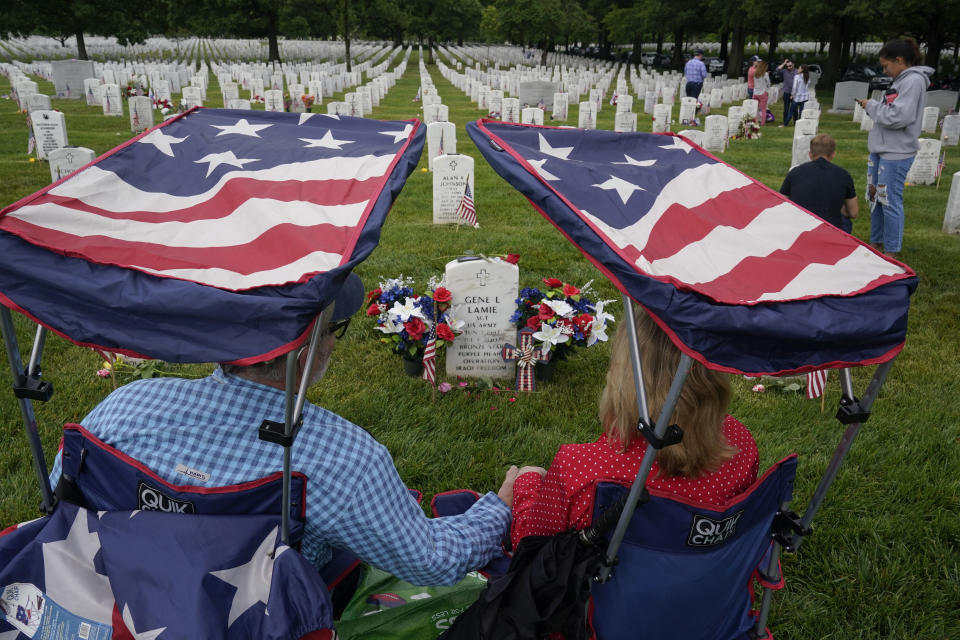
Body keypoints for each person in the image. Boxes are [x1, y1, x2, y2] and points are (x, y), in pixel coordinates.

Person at [49, 273, 518, 590]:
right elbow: (430, 562)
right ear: (305, 348)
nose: (336, 341)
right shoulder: (343, 458)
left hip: (122, 594)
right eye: (338, 327)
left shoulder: (121, 407)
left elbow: (61, 498)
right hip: (257, 616)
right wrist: (499, 508)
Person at [510, 306, 759, 545]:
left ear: (625, 374)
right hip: (709, 584)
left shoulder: (580, 469)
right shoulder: (740, 443)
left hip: (605, 587)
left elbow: (530, 546)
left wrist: (525, 482)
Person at [855, 37, 933, 258]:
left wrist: (871, 106)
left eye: (885, 65)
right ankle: (876, 243)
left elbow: (899, 116)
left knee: (889, 200)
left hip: (897, 151)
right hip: (882, 148)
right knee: (875, 198)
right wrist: (875, 106)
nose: (884, 70)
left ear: (899, 60)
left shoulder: (913, 81)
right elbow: (891, 107)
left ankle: (891, 251)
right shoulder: (901, 80)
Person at [780, 133, 858, 232]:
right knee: (845, 220)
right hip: (830, 229)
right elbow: (853, 212)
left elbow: (782, 202)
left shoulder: (795, 172)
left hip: (798, 227)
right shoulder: (844, 175)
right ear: (833, 154)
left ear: (810, 154)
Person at [778, 59, 796, 127]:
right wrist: (784, 63)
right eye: (787, 66)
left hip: (794, 93)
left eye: (790, 66)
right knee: (786, 108)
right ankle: (785, 122)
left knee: (794, 109)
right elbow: (778, 70)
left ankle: (796, 122)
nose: (789, 67)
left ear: (793, 65)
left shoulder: (797, 71)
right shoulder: (785, 71)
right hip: (786, 92)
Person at [753, 60, 770, 125]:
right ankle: (762, 123)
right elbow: (768, 83)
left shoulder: (755, 73)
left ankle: (756, 121)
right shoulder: (765, 74)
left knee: (756, 109)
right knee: (763, 109)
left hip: (755, 93)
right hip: (763, 93)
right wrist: (767, 90)